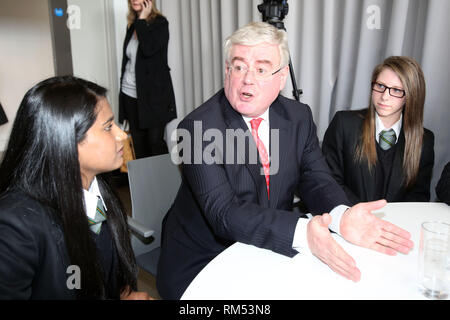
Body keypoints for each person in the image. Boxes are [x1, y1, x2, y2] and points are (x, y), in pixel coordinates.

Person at [156, 22, 413, 300]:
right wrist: (304, 233)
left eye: (262, 69)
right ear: (227, 72)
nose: (247, 79)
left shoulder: (298, 116)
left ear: (281, 78)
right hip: (204, 258)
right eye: (239, 66)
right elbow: (224, 213)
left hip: (264, 248)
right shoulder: (198, 128)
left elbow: (316, 178)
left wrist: (341, 215)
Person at [0, 76, 151, 300]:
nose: (121, 135)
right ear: (66, 141)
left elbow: (101, 264)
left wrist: (123, 292)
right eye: (108, 127)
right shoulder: (15, 226)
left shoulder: (95, 187)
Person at [322, 56, 434, 205]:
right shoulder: (344, 124)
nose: (384, 97)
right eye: (380, 86)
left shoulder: (423, 140)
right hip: (349, 219)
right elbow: (329, 181)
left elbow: (418, 196)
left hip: (395, 224)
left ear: (411, 96)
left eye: (396, 90)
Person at [119, 0, 177, 158]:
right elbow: (127, 62)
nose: (134, 1)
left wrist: (142, 19)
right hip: (130, 94)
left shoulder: (160, 23)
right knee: (138, 144)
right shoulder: (132, 26)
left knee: (155, 143)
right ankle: (143, 182)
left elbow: (148, 49)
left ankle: (163, 182)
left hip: (153, 98)